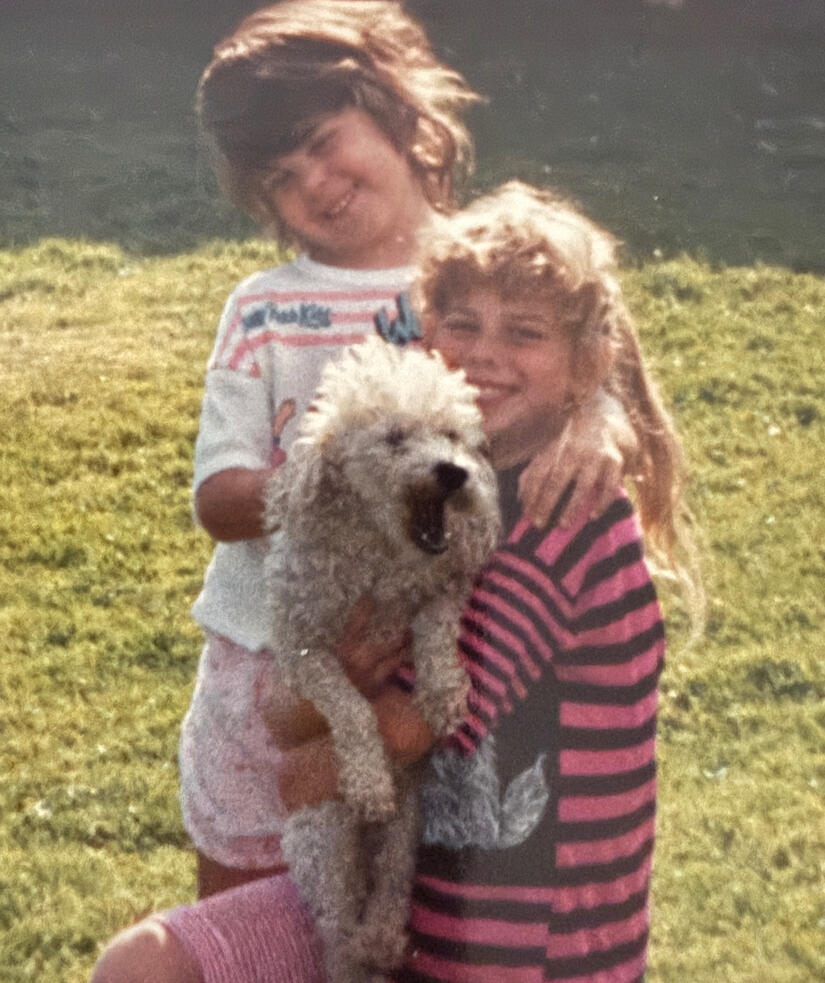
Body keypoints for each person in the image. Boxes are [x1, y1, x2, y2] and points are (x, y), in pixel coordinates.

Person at [91, 181, 701, 983]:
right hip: (407, 901)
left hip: (525, 949)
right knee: (145, 965)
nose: (484, 353)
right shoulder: (432, 491)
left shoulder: (565, 510)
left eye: (523, 333)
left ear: (585, 364)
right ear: (423, 338)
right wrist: (326, 699)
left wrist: (312, 748)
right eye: (461, 324)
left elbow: (395, 732)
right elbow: (290, 717)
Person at [173, 0, 633, 905]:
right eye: (280, 177)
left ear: (388, 104)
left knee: (392, 907)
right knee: (240, 920)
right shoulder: (264, 308)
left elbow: (583, 369)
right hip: (266, 652)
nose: (316, 183)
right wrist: (336, 482)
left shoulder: (479, 275)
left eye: (322, 142)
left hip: (427, 652)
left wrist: (594, 422)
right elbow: (218, 496)